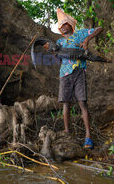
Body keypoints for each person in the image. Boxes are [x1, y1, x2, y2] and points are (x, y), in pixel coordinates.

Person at [44, 9, 103, 149]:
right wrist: (51, 51)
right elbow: (59, 60)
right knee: (66, 104)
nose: (63, 27)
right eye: (60, 26)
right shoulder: (59, 42)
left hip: (79, 72)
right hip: (64, 74)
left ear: (71, 25)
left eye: (65, 24)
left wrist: (87, 39)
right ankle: (67, 132)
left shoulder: (80, 34)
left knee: (82, 102)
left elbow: (100, 28)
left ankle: (88, 137)